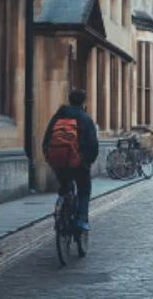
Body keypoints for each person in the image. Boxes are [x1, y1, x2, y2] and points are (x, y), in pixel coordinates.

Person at [42, 89, 99, 230]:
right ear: (83, 102)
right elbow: (93, 144)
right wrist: (87, 162)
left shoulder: (57, 117)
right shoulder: (85, 118)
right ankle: (81, 220)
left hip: (59, 163)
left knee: (64, 186)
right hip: (78, 163)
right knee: (84, 190)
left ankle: (61, 206)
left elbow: (46, 141)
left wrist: (51, 159)